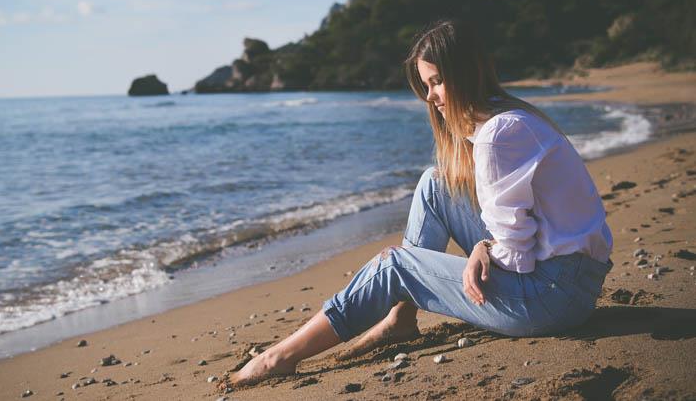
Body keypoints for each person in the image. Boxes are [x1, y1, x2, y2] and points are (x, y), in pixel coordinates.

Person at [224, 19, 613, 389]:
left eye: (438, 81)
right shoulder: (510, 118)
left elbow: (517, 257)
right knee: (435, 183)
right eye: (427, 84)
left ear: (466, 73)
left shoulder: (498, 135)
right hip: (568, 280)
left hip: (552, 298)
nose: (430, 96)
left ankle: (280, 356)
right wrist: (487, 248)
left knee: (395, 265)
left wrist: (485, 248)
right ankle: (401, 318)